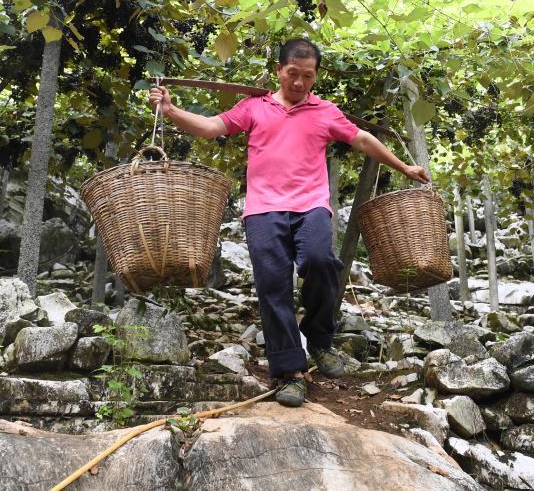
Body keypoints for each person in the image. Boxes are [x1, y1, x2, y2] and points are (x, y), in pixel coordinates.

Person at [149, 38, 429, 407]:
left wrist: (404, 166)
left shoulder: (325, 111)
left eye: (307, 76)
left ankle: (318, 338)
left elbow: (362, 139)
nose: (299, 83)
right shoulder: (254, 107)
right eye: (292, 74)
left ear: (316, 76)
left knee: (319, 261)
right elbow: (210, 127)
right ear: (279, 70)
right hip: (263, 210)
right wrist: (170, 111)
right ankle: (289, 372)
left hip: (311, 205)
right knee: (272, 285)